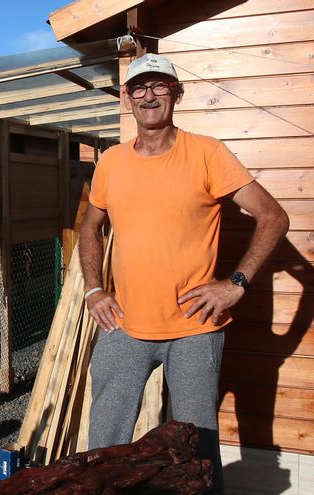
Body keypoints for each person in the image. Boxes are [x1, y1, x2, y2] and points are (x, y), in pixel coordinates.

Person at [79, 53, 289, 494]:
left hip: (194, 329)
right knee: (103, 447)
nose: (149, 96)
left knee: (196, 451)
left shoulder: (207, 153)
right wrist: (94, 289)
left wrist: (236, 283)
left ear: (176, 94)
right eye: (139, 87)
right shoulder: (111, 162)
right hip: (124, 325)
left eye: (159, 86)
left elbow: (273, 217)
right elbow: (89, 226)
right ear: (126, 97)